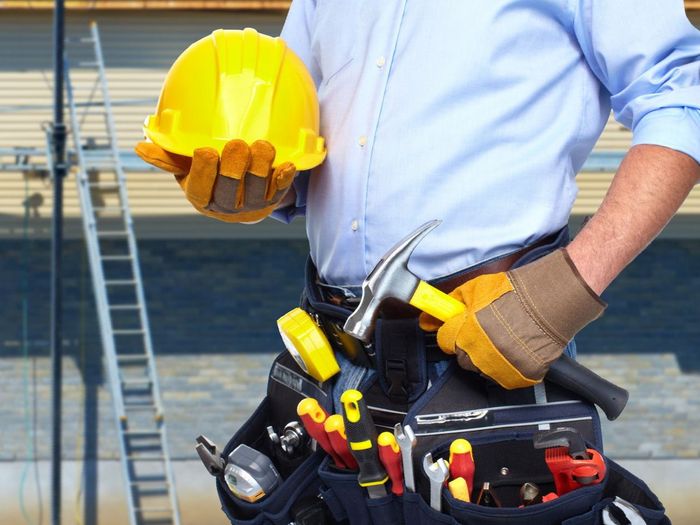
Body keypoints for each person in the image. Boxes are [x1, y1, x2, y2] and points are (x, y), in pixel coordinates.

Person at [136, 1, 700, 391]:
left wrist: (565, 292)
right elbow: (297, 132)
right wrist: (257, 186)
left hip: (485, 349)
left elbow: (683, 104)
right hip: (331, 355)